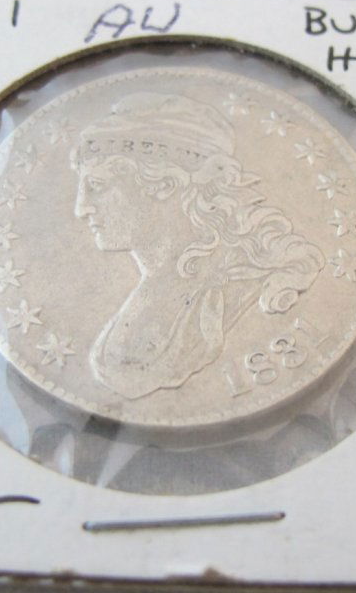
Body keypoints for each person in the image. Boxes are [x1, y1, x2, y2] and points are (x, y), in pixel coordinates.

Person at [71, 91, 324, 400]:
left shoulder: (247, 284)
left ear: (165, 185)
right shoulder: (152, 286)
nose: (81, 208)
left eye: (97, 186)